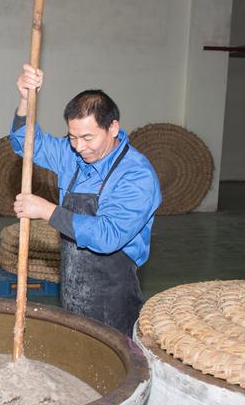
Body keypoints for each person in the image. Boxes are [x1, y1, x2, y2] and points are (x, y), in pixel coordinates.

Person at [10, 64, 161, 335]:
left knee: (113, 366)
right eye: (73, 137)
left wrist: (47, 210)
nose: (79, 147)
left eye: (88, 137)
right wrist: (24, 99)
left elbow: (108, 236)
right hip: (72, 290)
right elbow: (25, 143)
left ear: (113, 128)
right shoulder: (73, 156)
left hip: (113, 299)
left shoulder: (136, 175)